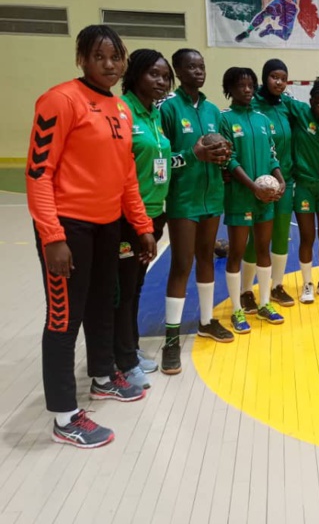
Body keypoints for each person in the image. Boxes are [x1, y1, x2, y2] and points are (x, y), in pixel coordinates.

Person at [27, 25, 156, 448]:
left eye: (116, 57)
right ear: (81, 58)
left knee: (105, 302)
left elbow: (126, 181)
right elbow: (39, 174)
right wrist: (52, 237)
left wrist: (142, 227)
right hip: (69, 227)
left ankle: (103, 378)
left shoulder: (120, 109)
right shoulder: (60, 100)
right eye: (98, 56)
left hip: (107, 227)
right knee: (65, 318)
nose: (109, 65)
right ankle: (65, 416)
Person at [160, 49, 233, 375]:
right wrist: (195, 154)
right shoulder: (168, 109)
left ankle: (206, 321)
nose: (198, 71)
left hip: (212, 198)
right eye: (191, 66)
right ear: (178, 70)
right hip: (183, 200)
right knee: (181, 264)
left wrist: (223, 156)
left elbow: (225, 152)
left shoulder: (214, 110)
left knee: (206, 258)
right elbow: (161, 162)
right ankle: (171, 339)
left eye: (201, 66)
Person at [116, 49, 174, 389]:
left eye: (165, 76)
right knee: (122, 290)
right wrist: (139, 224)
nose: (161, 81)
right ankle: (121, 360)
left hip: (154, 214)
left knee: (135, 287)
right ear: (135, 74)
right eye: (154, 74)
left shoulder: (152, 114)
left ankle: (129, 348)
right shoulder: (123, 113)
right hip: (128, 219)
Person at [219, 67, 286, 333]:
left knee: (263, 249)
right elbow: (229, 159)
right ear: (230, 89)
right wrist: (253, 187)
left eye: (250, 85)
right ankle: (236, 309)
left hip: (264, 199)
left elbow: (272, 156)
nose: (247, 89)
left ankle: (265, 303)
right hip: (240, 198)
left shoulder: (261, 119)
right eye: (240, 85)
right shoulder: (225, 119)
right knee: (235, 253)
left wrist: (278, 181)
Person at [240, 59, 296, 312]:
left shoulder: (288, 106)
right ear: (264, 78)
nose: (279, 82)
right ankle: (245, 291)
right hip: (256, 185)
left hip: (285, 182)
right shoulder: (252, 106)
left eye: (283, 78)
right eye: (274, 77)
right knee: (256, 240)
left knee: (281, 236)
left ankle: (276, 286)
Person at [285, 81, 319, 303]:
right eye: (318, 104)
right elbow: (275, 95)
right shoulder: (300, 112)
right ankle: (307, 284)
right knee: (307, 237)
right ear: (310, 103)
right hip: (304, 186)